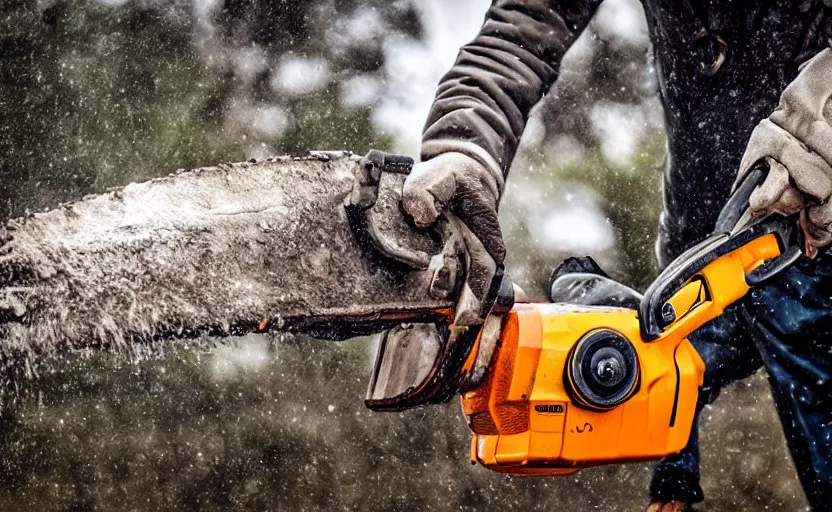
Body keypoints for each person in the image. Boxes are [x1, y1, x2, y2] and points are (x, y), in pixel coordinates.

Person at [399, 1, 832, 510]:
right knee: (656, 367)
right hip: (708, 250)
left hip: (813, 223)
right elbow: (523, 26)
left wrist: (818, 122)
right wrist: (464, 146)